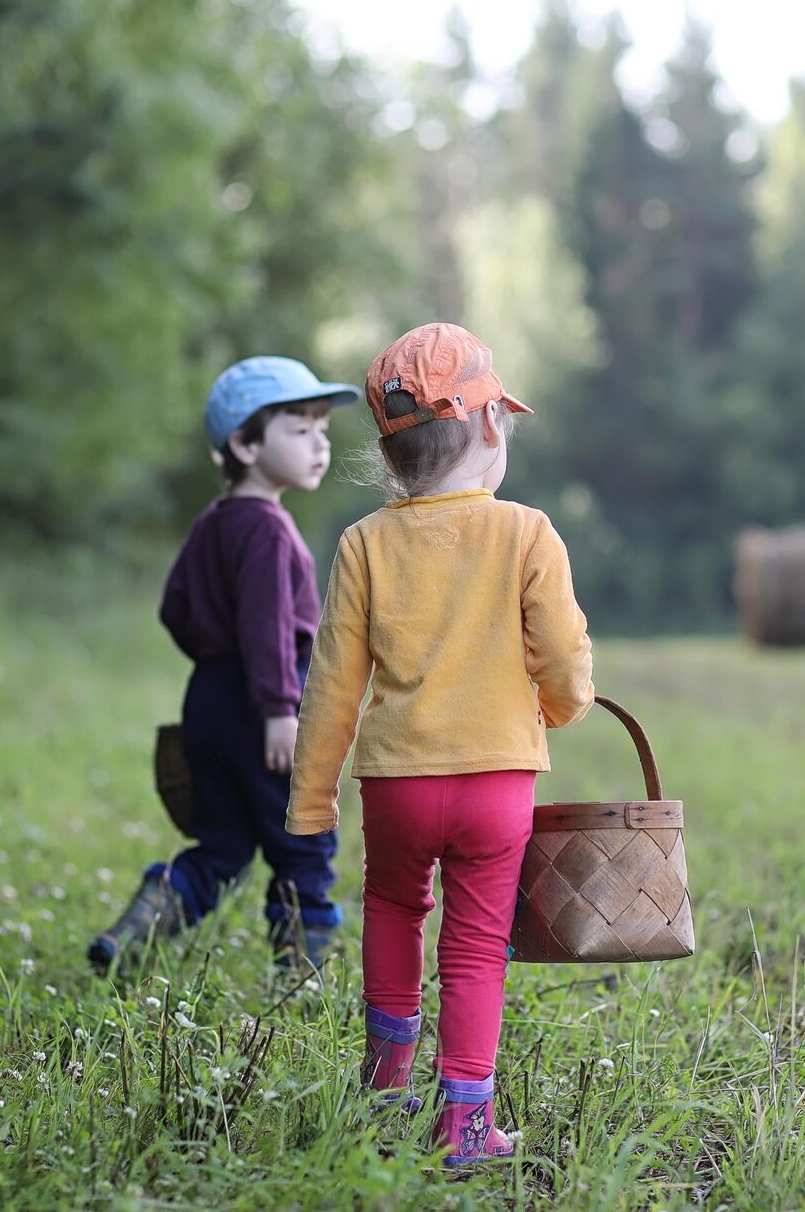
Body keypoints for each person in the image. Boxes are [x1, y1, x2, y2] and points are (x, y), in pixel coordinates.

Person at [287, 322, 596, 1167]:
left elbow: (332, 691)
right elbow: (563, 658)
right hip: (498, 786)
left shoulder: (362, 545)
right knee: (474, 943)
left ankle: (385, 1097)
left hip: (396, 786)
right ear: (492, 427)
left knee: (392, 908)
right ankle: (465, 1130)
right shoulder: (527, 534)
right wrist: (564, 708)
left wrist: (312, 801)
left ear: (390, 458)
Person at [88, 356, 360, 974]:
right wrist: (274, 709)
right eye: (300, 429)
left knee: (222, 847)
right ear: (243, 442)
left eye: (322, 428)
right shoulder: (268, 529)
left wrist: (217, 662)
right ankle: (300, 978)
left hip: (209, 699)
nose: (319, 443)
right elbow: (267, 626)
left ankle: (134, 932)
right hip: (269, 702)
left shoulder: (213, 524)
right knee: (303, 841)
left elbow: (175, 609)